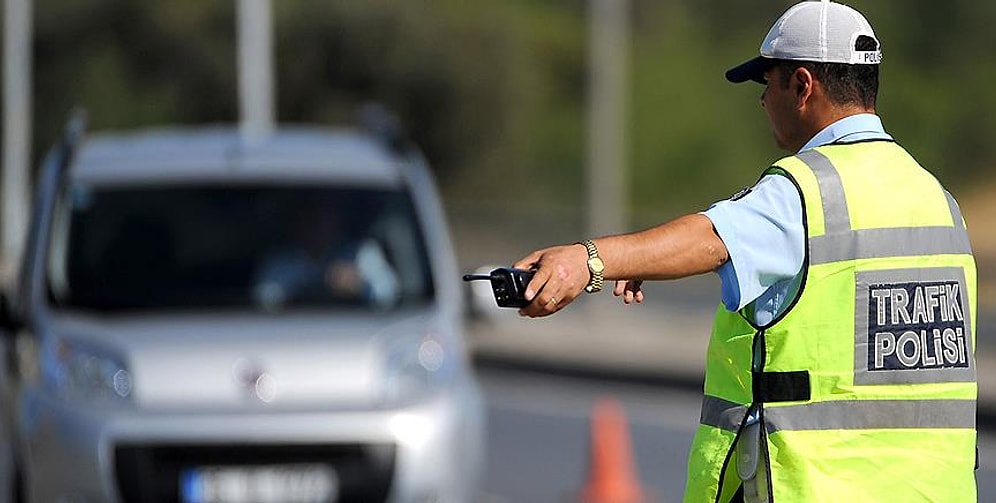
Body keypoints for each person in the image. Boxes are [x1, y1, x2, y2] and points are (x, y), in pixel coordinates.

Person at [512, 1, 978, 502]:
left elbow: (710, 239)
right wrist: (645, 261)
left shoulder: (805, 191)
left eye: (767, 84)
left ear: (802, 86)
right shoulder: (938, 200)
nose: (762, 102)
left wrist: (588, 261)